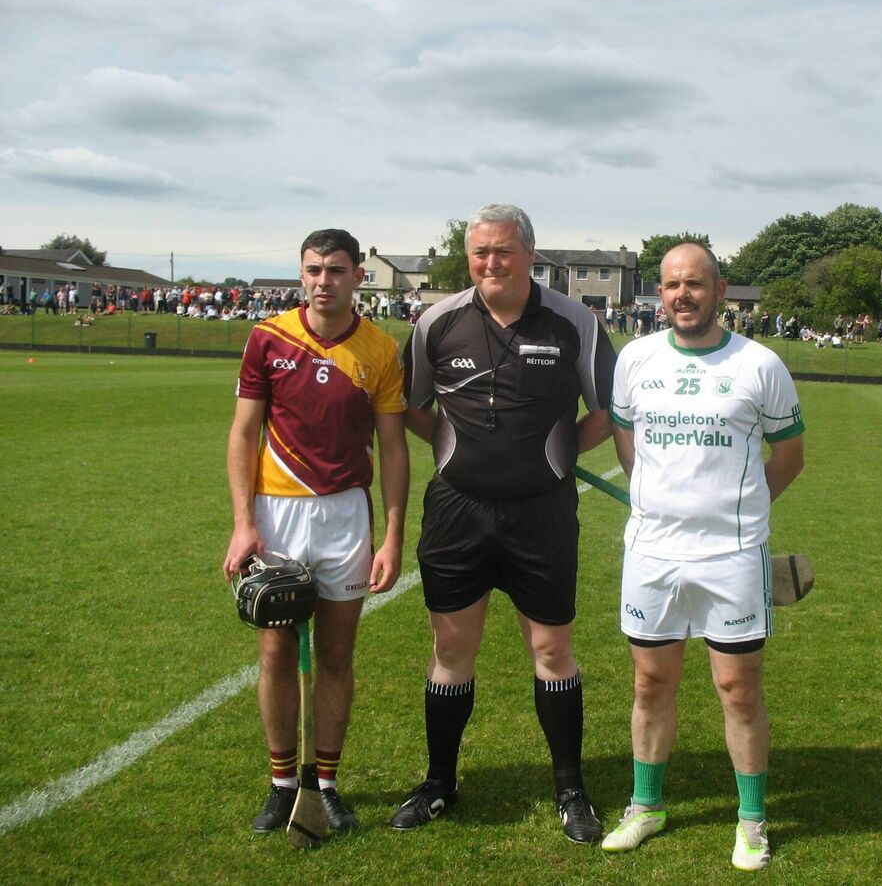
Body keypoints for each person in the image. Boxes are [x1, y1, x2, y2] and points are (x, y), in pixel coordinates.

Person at [393, 203, 616, 844]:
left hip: (542, 512)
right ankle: (439, 784)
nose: (492, 262)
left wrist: (555, 456)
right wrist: (454, 451)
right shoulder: (437, 321)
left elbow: (607, 410)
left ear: (530, 254)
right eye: (481, 252)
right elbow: (412, 406)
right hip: (457, 511)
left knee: (551, 649)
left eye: (504, 250)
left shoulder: (575, 320)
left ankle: (571, 789)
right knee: (451, 649)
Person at [603, 243, 805, 870]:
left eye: (694, 283)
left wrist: (738, 513)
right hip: (653, 552)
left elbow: (789, 455)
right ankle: (646, 805)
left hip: (731, 556)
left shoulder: (760, 364)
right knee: (649, 681)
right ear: (658, 294)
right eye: (670, 285)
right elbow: (627, 441)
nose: (681, 295)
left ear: (721, 289)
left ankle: (751, 820)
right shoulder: (635, 359)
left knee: (738, 690)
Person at [222, 228, 409, 835]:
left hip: (345, 515)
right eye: (312, 270)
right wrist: (243, 524)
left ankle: (324, 784)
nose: (323, 280)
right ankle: (281, 785)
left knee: (335, 654)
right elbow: (243, 435)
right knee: (276, 651)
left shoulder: (381, 349)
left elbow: (393, 446)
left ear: (359, 276)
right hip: (277, 513)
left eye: (335, 270)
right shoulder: (268, 338)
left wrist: (393, 535)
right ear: (300, 274)